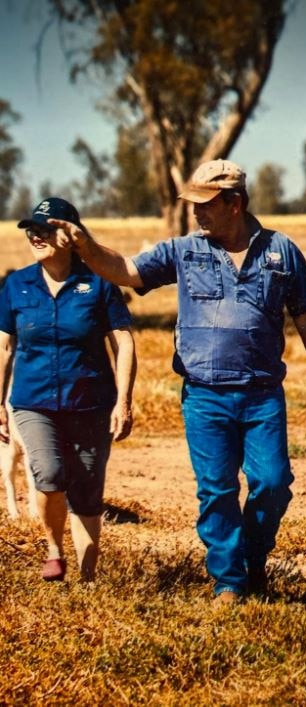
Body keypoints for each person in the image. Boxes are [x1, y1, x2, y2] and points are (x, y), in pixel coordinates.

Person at [49, 160, 306, 603]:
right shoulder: (184, 252)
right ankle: (229, 581)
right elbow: (127, 270)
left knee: (273, 481)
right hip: (204, 397)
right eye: (192, 205)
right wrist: (86, 246)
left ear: (235, 204)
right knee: (217, 489)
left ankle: (252, 556)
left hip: (262, 396)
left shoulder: (281, 253)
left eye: (205, 205)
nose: (196, 214)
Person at [0, 197, 136, 583]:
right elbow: (4, 346)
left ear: (71, 236)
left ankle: (88, 578)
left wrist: (123, 400)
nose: (36, 236)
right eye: (32, 229)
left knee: (89, 490)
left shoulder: (98, 284)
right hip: (33, 401)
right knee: (48, 472)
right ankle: (54, 548)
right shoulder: (17, 284)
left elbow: (123, 343)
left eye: (46, 229)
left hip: (91, 403)